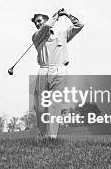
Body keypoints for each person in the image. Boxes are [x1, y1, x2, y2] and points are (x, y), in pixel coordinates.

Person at [31, 8, 84, 139]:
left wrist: (66, 14)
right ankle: (44, 135)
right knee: (39, 106)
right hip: (43, 70)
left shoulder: (62, 34)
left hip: (59, 71)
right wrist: (54, 18)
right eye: (35, 23)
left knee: (54, 104)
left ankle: (51, 137)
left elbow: (79, 25)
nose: (37, 24)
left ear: (45, 20)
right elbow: (46, 27)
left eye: (39, 21)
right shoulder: (36, 36)